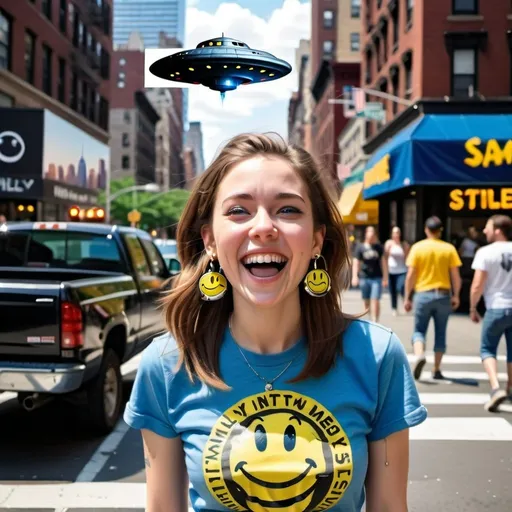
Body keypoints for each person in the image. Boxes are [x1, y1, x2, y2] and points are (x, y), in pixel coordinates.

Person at [123, 133, 427, 512]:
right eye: (238, 211)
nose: (263, 227)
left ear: (317, 240)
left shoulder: (377, 355)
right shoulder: (167, 364)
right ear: (210, 240)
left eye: (288, 210)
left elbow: (390, 506)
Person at [404, 216, 462, 380]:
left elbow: (410, 276)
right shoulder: (449, 248)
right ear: (440, 231)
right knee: (441, 333)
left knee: (419, 331)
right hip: (443, 295)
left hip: (423, 294)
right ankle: (436, 369)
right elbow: (455, 276)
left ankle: (420, 354)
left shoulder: (417, 248)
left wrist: (407, 297)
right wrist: (456, 295)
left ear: (426, 229)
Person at [469, 214, 512, 412]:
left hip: (496, 307)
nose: (484, 231)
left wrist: (473, 307)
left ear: (498, 230)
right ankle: (509, 388)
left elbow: (477, 285)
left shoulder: (485, 252)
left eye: (487, 227)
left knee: (487, 349)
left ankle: (495, 388)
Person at [351, 226, 388, 322]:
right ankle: (369, 317)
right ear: (366, 234)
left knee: (375, 299)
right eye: (369, 233)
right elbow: (356, 262)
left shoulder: (378, 247)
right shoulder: (360, 247)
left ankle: (375, 320)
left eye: (373, 233)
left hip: (377, 277)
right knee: (366, 300)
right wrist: (355, 276)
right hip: (364, 277)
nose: (371, 235)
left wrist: (385, 277)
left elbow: (383, 262)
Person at [384, 227, 410, 316]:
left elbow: (407, 258)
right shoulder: (388, 243)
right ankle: (394, 308)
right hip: (391, 271)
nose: (396, 234)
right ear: (392, 234)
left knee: (401, 287)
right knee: (393, 291)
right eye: (394, 233)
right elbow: (385, 257)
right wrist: (385, 273)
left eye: (397, 232)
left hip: (402, 270)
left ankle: (404, 301)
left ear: (400, 234)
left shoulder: (404, 244)